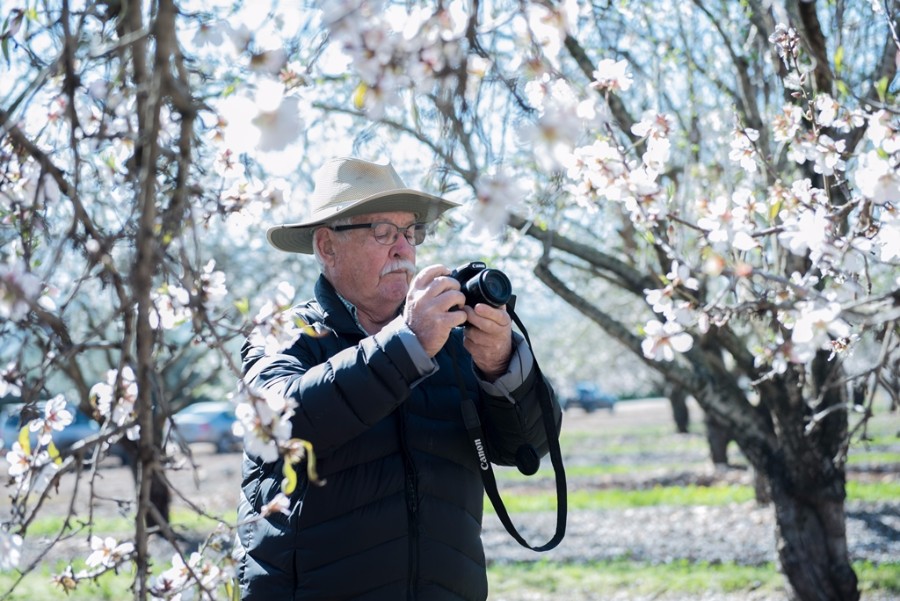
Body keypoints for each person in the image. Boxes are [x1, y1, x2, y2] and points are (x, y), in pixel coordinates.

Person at [236, 156, 561, 601]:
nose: (403, 250)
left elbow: (527, 446)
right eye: (383, 233)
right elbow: (280, 426)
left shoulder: (448, 338)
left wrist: (500, 365)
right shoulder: (283, 334)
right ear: (327, 247)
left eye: (410, 233)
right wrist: (406, 344)